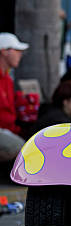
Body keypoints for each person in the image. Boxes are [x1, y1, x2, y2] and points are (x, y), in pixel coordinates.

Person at [0, 32, 28, 162]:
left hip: (10, 129)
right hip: (4, 130)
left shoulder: (7, 79)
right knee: (21, 148)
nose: (20, 54)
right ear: (4, 51)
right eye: (16, 50)